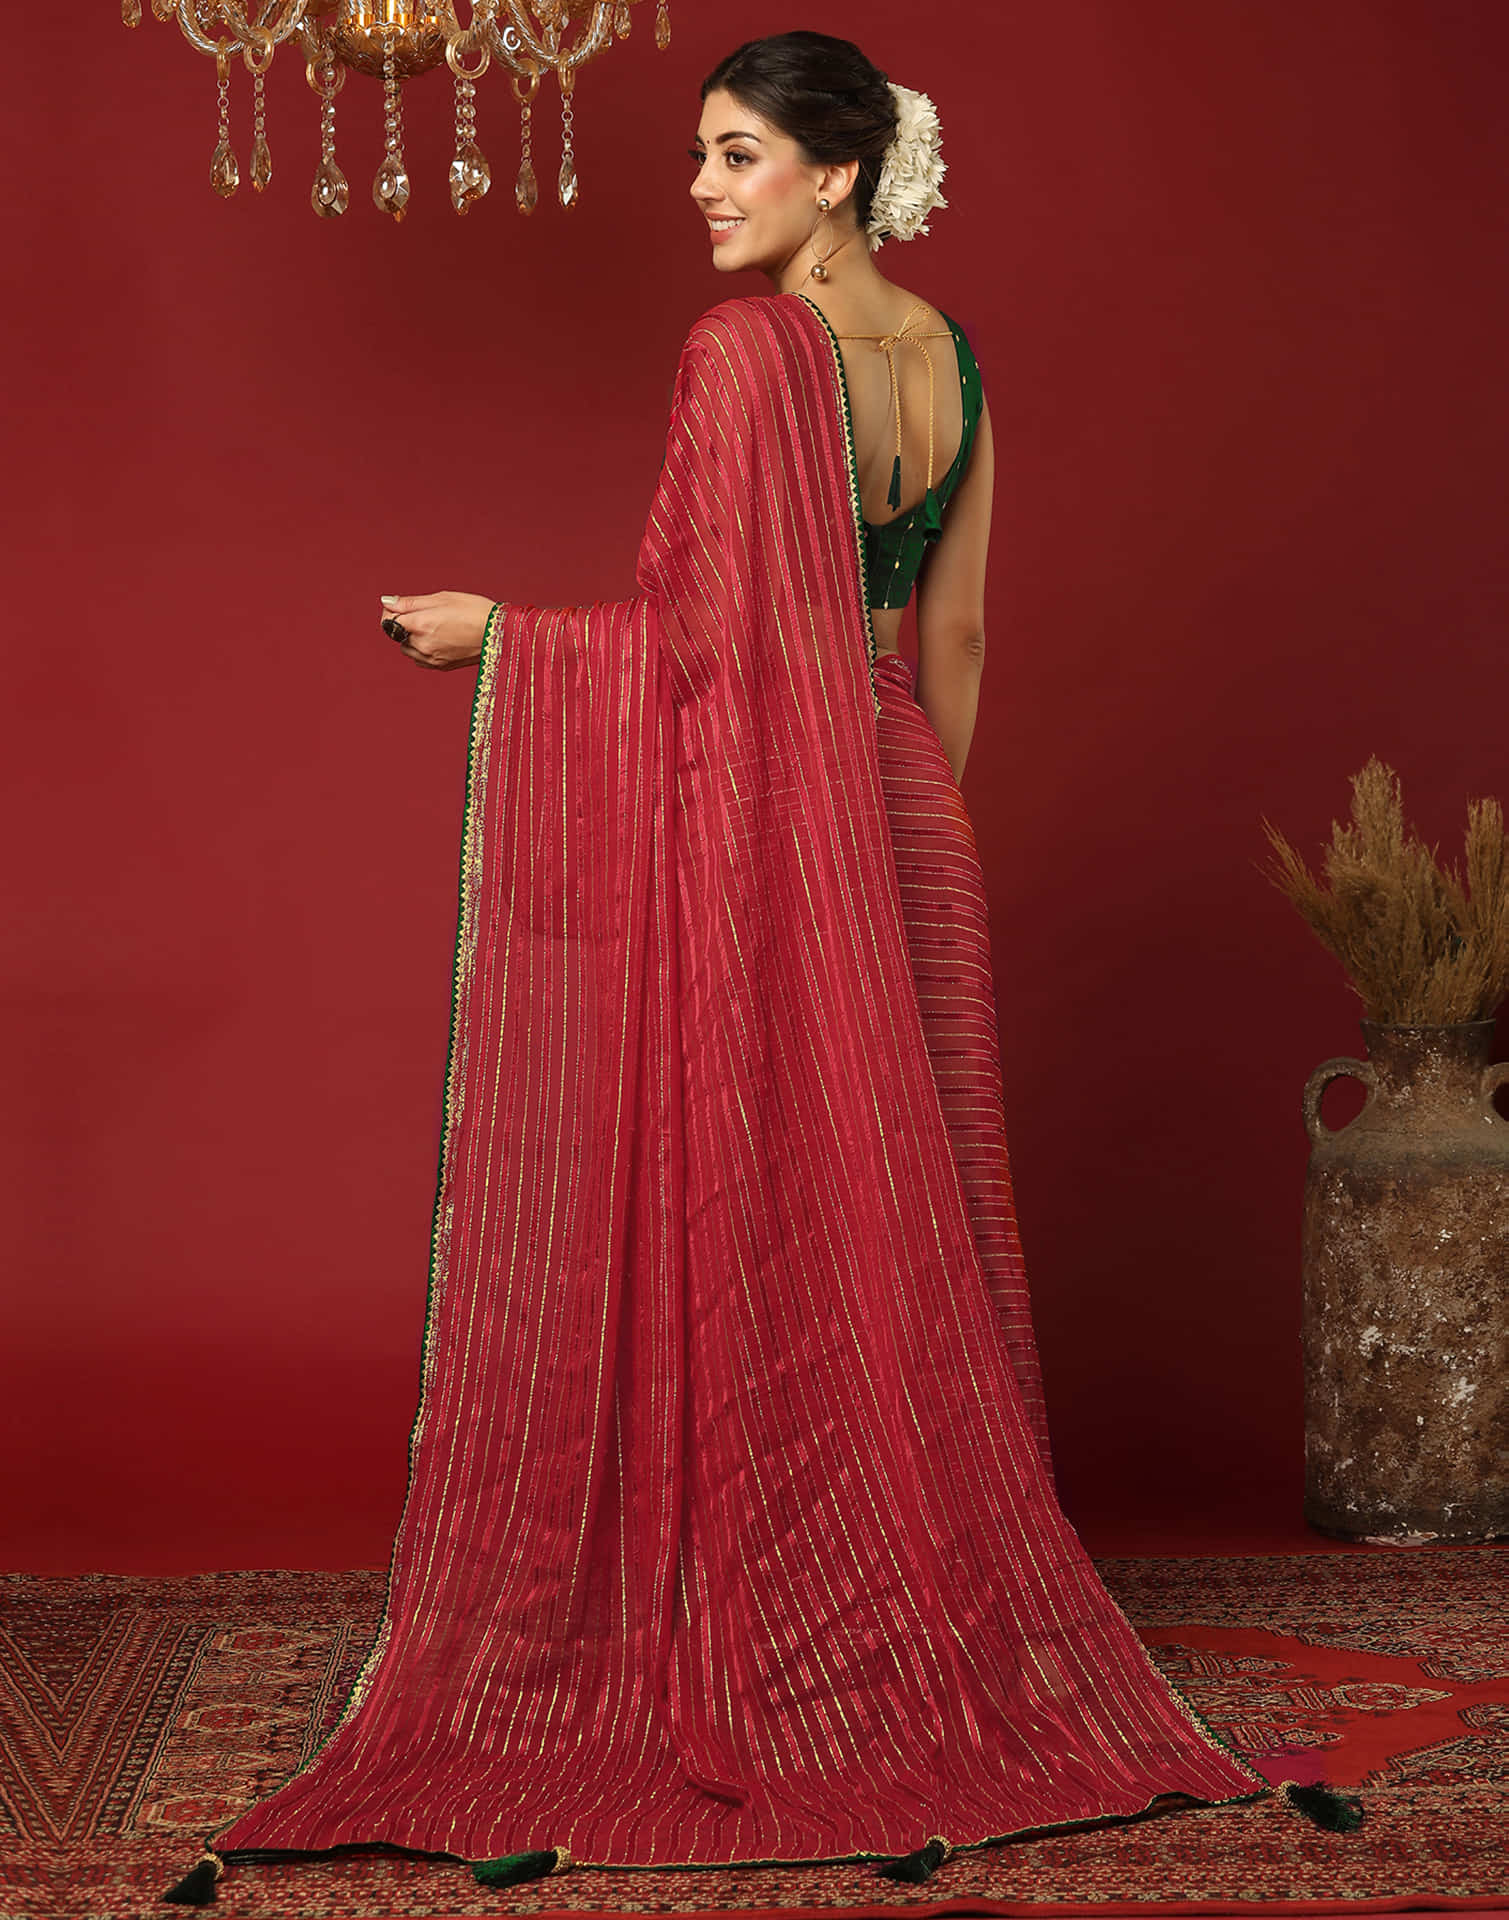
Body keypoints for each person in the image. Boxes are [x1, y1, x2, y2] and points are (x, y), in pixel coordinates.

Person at [164, 29, 1361, 1910]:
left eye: (737, 154)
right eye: (700, 156)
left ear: (836, 169)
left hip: (784, 810)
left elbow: (702, 641)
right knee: (897, 1212)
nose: (704, 191)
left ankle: (777, 1615)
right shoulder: (952, 362)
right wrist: (891, 833)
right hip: (904, 812)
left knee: (770, 1194)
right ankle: (908, 1601)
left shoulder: (744, 352)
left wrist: (505, 639)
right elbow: (954, 638)